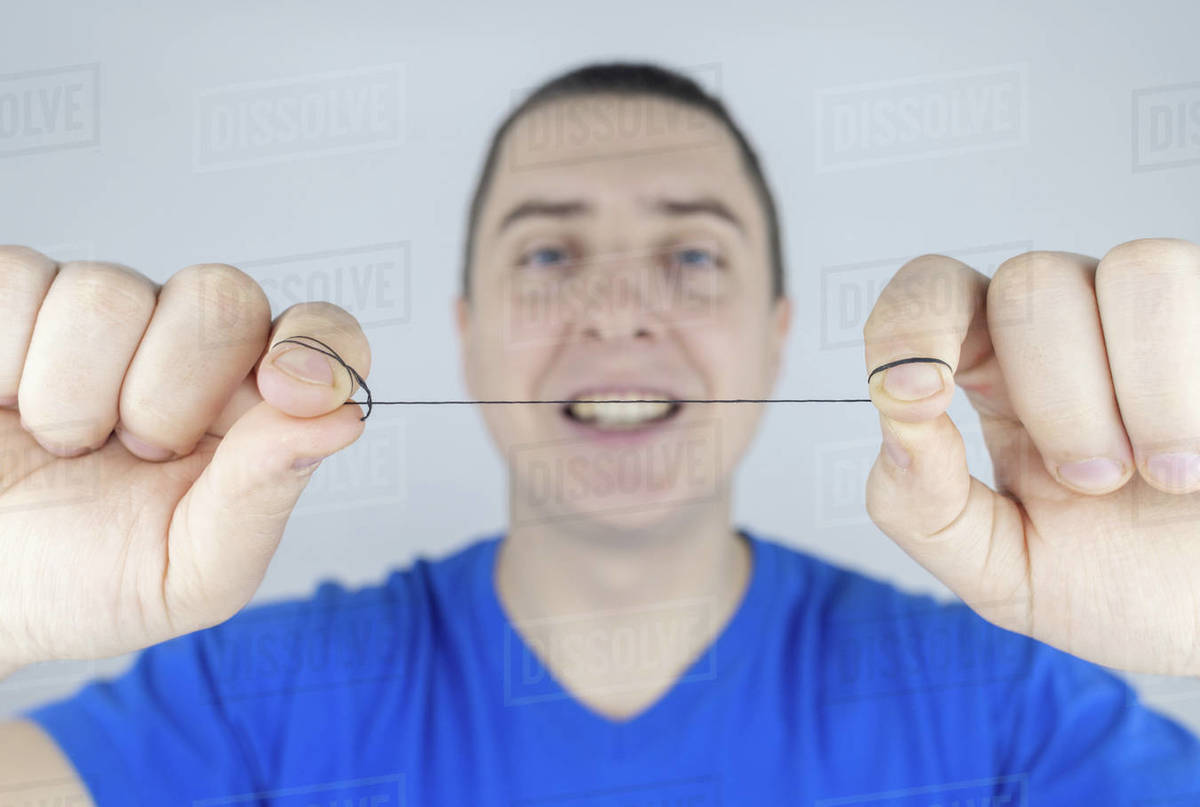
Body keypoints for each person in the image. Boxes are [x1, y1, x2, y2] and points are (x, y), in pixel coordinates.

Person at [1, 61, 1199, 806]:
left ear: (776, 337)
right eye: (549, 254)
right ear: (469, 339)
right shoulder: (248, 702)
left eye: (690, 255)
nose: (619, 309)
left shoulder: (1008, 710)